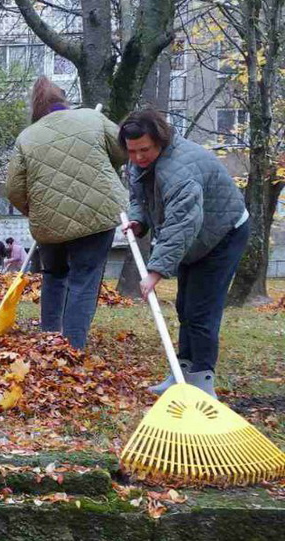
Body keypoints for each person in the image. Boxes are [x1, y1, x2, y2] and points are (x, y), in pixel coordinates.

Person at [120, 109, 249, 398]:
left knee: (201, 310)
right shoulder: (138, 164)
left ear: (160, 141)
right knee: (184, 306)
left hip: (223, 233)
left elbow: (183, 223)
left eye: (145, 150)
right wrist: (138, 221)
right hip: (195, 236)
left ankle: (202, 384)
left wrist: (155, 271)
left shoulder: (180, 170)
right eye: (132, 151)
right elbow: (139, 196)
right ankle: (181, 374)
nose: (138, 157)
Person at [7, 76, 128, 350]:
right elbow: (123, 151)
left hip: (48, 223)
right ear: (64, 100)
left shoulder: (27, 137)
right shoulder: (91, 119)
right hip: (96, 214)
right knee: (84, 278)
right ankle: (73, 348)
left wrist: (32, 210)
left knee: (55, 274)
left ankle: (50, 339)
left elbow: (14, 189)